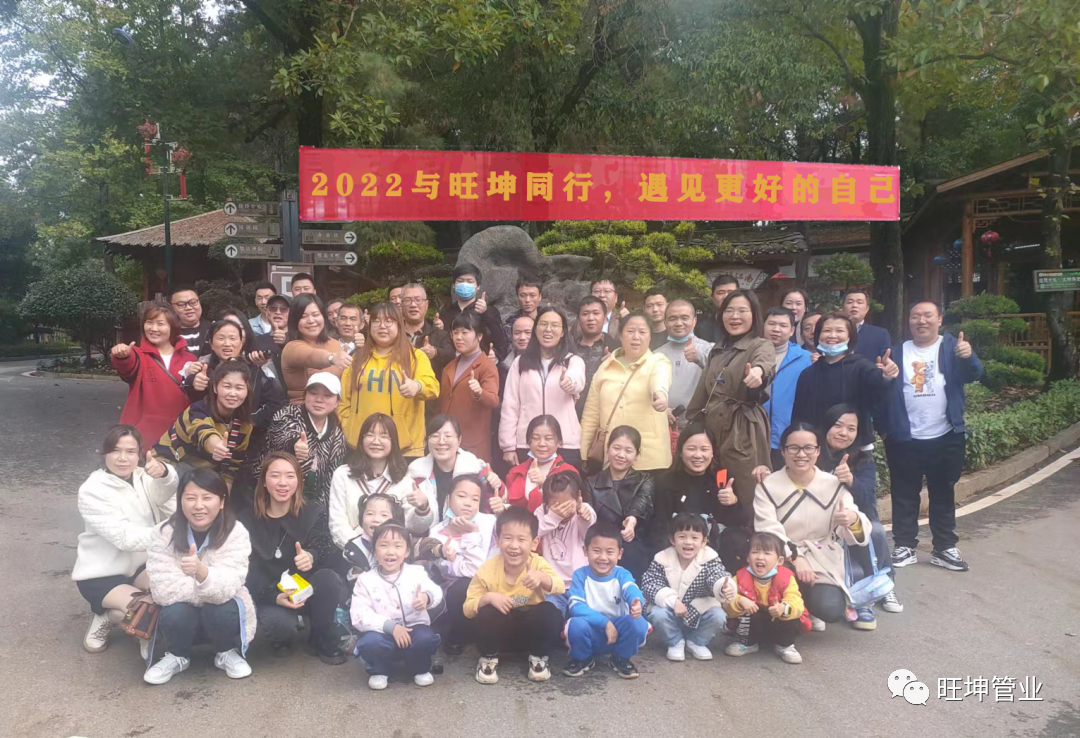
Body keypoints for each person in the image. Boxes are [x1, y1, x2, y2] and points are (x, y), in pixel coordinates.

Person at [882, 301, 982, 573]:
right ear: (909, 321)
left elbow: (974, 374)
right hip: (905, 437)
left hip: (946, 435)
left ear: (939, 320)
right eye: (915, 316)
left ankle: (944, 547)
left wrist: (968, 356)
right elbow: (883, 390)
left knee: (943, 492)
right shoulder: (897, 351)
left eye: (928, 315)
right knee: (904, 493)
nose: (921, 321)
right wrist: (885, 377)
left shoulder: (951, 347)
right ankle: (905, 545)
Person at [144, 468, 256, 684]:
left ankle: (226, 651)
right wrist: (207, 588)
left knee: (223, 608)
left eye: (207, 497)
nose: (198, 506)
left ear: (221, 502)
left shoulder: (236, 532)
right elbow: (163, 590)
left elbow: (231, 583)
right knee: (176, 611)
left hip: (219, 616)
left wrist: (202, 573)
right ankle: (178, 654)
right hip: (184, 617)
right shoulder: (162, 533)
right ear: (180, 501)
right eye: (190, 498)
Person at [73, 425, 178, 655]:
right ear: (104, 452)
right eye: (116, 451)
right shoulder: (92, 490)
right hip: (101, 575)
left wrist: (165, 475)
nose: (123, 458)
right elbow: (124, 538)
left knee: (174, 592)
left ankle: (129, 621)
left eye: (130, 451)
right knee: (147, 610)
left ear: (140, 453)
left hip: (140, 566)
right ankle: (107, 617)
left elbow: (169, 502)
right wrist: (171, 533)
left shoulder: (143, 477)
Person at [754, 423, 870, 630]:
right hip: (781, 556)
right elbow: (768, 529)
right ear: (783, 451)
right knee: (777, 599)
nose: (801, 454)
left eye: (808, 448)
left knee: (830, 609)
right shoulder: (767, 486)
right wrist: (796, 557)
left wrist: (851, 519)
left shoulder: (833, 484)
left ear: (818, 451)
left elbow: (854, 525)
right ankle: (794, 612)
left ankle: (810, 605)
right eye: (793, 448)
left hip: (821, 555)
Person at [236, 452, 347, 663]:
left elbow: (326, 547)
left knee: (328, 578)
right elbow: (244, 568)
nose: (283, 483)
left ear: (298, 481)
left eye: (290, 476)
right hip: (272, 591)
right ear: (264, 481)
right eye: (275, 475)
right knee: (280, 630)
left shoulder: (313, 511)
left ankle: (320, 636)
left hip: (307, 588)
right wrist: (272, 596)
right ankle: (282, 635)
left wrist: (312, 556)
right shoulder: (246, 519)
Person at [813, 403, 902, 625]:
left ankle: (879, 587)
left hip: (851, 520)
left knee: (876, 531)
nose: (844, 433)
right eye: (838, 425)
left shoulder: (862, 459)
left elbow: (868, 499)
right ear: (826, 426)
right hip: (818, 525)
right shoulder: (811, 453)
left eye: (851, 428)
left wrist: (851, 480)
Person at [686, 289, 774, 508]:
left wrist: (758, 373)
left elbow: (764, 362)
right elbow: (704, 391)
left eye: (742, 311)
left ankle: (752, 527)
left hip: (742, 429)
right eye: (729, 311)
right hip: (713, 428)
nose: (735, 316)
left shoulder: (760, 344)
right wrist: (693, 424)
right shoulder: (717, 349)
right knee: (716, 486)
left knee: (747, 486)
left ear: (754, 314)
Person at [463, 506, 565, 684]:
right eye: (508, 538)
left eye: (521, 539)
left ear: (534, 543)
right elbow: (467, 608)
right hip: (500, 636)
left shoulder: (538, 564)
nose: (514, 545)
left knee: (550, 611)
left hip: (530, 635)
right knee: (486, 611)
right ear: (497, 540)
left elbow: (560, 587)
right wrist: (488, 598)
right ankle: (488, 658)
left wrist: (542, 578)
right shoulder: (487, 569)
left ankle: (539, 657)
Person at [181, 319, 288, 471]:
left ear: (241, 342)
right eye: (221, 338)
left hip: (247, 448)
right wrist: (192, 383)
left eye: (232, 338)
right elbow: (193, 407)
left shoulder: (255, 371)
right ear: (211, 343)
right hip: (201, 451)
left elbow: (276, 402)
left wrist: (250, 420)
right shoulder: (202, 370)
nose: (227, 343)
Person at [791, 311, 899, 460]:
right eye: (827, 330)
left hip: (856, 449)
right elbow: (799, 416)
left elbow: (880, 393)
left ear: (850, 336)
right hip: (816, 451)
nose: (832, 335)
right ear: (818, 336)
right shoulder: (808, 374)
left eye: (839, 331)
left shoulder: (862, 367)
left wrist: (887, 377)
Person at [339, 301, 439, 457]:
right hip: (362, 445)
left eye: (388, 321)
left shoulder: (415, 356)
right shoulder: (358, 358)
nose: (382, 326)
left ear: (399, 325)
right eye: (376, 321)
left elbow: (433, 387)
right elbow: (343, 399)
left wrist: (417, 386)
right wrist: (349, 426)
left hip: (405, 449)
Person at [352, 522, 443, 690]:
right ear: (374, 550)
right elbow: (360, 614)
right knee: (370, 642)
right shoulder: (365, 580)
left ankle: (420, 668)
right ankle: (380, 670)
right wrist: (391, 627)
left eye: (398, 546)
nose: (390, 551)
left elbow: (435, 591)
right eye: (383, 545)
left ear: (407, 551)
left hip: (414, 628)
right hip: (382, 633)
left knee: (426, 638)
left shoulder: (416, 572)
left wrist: (426, 597)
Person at [650, 424, 750, 574]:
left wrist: (733, 503)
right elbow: (659, 525)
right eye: (691, 449)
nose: (698, 455)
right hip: (681, 545)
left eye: (704, 449)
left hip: (716, 546)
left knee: (737, 538)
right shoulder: (666, 481)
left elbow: (741, 521)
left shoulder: (722, 478)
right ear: (680, 451)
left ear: (713, 452)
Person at [581, 314, 673, 472]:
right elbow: (591, 414)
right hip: (613, 458)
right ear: (620, 334)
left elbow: (660, 379)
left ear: (650, 336)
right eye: (630, 331)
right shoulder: (605, 367)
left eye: (642, 332)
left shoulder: (657, 361)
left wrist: (660, 394)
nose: (636, 337)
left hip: (650, 460)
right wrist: (584, 452)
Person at [500, 307, 586, 469]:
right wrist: (508, 446)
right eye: (543, 324)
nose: (548, 329)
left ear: (563, 332)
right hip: (528, 443)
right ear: (535, 329)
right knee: (528, 485)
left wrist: (569, 382)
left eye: (555, 325)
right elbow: (510, 404)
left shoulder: (572, 361)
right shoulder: (520, 363)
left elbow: (577, 380)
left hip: (565, 443)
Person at [420, 474, 497, 654]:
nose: (468, 503)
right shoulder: (437, 533)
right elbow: (470, 571)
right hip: (457, 592)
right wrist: (471, 535)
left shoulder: (490, 523)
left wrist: (473, 532)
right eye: (461, 496)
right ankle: (458, 633)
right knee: (463, 585)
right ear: (448, 498)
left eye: (475, 499)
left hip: (492, 582)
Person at [563, 522, 650, 679]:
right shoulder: (579, 575)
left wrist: (636, 602)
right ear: (585, 551)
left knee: (638, 623)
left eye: (610, 552)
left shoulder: (622, 574)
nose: (603, 557)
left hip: (618, 632)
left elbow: (631, 588)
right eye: (596, 551)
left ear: (619, 554)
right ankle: (583, 658)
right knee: (575, 624)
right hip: (591, 629)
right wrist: (605, 623)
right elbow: (576, 606)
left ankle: (621, 657)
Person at [329, 413, 430, 545]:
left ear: (393, 442)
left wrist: (423, 507)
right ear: (361, 440)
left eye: (384, 436)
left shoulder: (404, 479)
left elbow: (414, 527)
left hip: (392, 553)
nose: (376, 441)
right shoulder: (343, 475)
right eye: (370, 435)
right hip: (351, 551)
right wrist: (359, 550)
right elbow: (337, 523)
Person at [641, 513, 730, 662]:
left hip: (699, 609)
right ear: (672, 539)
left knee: (718, 615)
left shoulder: (710, 558)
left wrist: (722, 586)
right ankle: (675, 641)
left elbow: (717, 575)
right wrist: (673, 601)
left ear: (703, 541)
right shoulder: (662, 558)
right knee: (658, 614)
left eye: (694, 538)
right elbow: (650, 583)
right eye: (682, 537)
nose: (688, 542)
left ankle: (696, 641)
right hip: (671, 610)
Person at [155, 360, 254, 489]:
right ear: (215, 388)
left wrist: (225, 498)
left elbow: (231, 467)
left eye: (239, 388)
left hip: (201, 475)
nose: (232, 393)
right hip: (167, 465)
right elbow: (204, 432)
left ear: (247, 390)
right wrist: (217, 446)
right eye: (227, 386)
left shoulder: (245, 424)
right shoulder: (197, 410)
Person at [111, 303, 198, 446]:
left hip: (180, 436)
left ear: (172, 327)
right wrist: (122, 356)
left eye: (160, 324)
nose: (153, 328)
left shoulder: (190, 360)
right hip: (142, 439)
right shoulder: (139, 355)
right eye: (149, 322)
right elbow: (128, 365)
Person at [258, 373, 348, 508]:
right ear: (305, 395)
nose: (319, 400)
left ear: (337, 402)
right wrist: (294, 444)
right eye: (313, 393)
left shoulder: (338, 435)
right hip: (273, 498)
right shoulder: (287, 414)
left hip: (313, 504)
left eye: (327, 395)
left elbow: (330, 480)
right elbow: (280, 435)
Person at [721, 531, 807, 664]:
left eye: (767, 553)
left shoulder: (786, 577)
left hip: (778, 621)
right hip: (754, 622)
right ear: (748, 558)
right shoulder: (739, 577)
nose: (760, 557)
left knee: (791, 614)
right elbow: (728, 607)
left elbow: (796, 601)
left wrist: (783, 608)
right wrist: (739, 600)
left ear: (780, 561)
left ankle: (785, 645)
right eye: (755, 552)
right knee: (745, 609)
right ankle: (747, 643)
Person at [408, 415, 505, 519]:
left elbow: (496, 505)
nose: (441, 442)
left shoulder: (476, 469)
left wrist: (496, 486)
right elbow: (410, 520)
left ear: (459, 440)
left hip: (470, 528)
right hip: (431, 529)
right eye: (435, 436)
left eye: (448, 436)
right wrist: (423, 508)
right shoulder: (416, 472)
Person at [588, 426, 655, 579]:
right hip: (601, 549)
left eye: (628, 451)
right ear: (608, 449)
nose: (621, 455)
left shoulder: (645, 480)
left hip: (633, 548)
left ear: (637, 455)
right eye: (616, 448)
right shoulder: (591, 483)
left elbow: (641, 502)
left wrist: (632, 521)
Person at [437, 310, 500, 462]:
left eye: (465, 332)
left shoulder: (487, 366)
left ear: (479, 336)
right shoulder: (449, 366)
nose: (459, 337)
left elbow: (493, 400)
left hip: (473, 444)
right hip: (446, 441)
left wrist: (479, 392)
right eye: (455, 332)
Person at [534, 471, 594, 616]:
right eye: (556, 506)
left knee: (581, 619)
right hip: (552, 584)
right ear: (545, 503)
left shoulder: (584, 511)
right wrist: (553, 517)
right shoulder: (542, 513)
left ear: (578, 498)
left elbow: (589, 535)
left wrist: (583, 516)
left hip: (579, 583)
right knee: (550, 617)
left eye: (567, 505)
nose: (563, 511)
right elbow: (533, 533)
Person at [762, 307, 812, 469]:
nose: (776, 329)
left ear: (791, 330)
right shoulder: (749, 354)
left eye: (783, 325)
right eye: (771, 324)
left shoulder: (805, 359)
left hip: (789, 436)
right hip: (754, 436)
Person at [280, 294, 351, 404]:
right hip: (302, 409)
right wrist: (331, 358)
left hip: (333, 409)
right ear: (295, 321)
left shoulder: (335, 343)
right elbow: (310, 356)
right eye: (303, 316)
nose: (311, 320)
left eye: (315, 314)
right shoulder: (291, 347)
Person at [655, 299, 713, 428]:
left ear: (694, 321)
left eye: (684, 318)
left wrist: (699, 358)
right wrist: (663, 409)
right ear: (665, 323)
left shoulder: (710, 350)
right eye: (672, 319)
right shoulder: (656, 355)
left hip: (700, 427)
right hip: (664, 425)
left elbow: (721, 376)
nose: (678, 323)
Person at [504, 416, 580, 512]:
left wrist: (545, 485)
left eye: (548, 438)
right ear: (528, 442)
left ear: (559, 442)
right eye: (536, 438)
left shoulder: (569, 473)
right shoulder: (515, 472)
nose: (541, 444)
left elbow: (571, 510)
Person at [438, 263, 509, 361]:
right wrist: (438, 331)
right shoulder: (446, 313)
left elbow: (501, 342)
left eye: (469, 281)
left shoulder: (489, 311)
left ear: (478, 286)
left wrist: (495, 355)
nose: (465, 284)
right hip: (452, 365)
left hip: (482, 364)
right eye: (460, 281)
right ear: (454, 285)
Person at [569, 296, 619, 415]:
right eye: (585, 314)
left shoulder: (618, 349)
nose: (591, 318)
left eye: (596, 313)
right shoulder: (568, 349)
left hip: (606, 412)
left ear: (604, 318)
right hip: (573, 412)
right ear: (578, 319)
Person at [340, 492, 404, 577]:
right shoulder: (355, 547)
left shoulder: (401, 545)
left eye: (384, 515)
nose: (376, 519)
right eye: (370, 514)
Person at [400, 283, 454, 377]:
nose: (413, 305)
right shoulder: (393, 334)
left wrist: (435, 352)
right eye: (407, 300)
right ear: (401, 305)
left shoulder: (439, 334)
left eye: (418, 300)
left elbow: (452, 356)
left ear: (426, 304)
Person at [843, 289, 891, 362]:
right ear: (843, 307)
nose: (854, 305)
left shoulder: (880, 334)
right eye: (850, 302)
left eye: (859, 302)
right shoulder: (832, 332)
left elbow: (887, 361)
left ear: (867, 309)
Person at [694, 274, 739, 343]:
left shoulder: (749, 325)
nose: (725, 296)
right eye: (720, 293)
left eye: (730, 292)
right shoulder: (701, 328)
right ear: (712, 297)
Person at [170, 285, 211, 356]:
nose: (188, 308)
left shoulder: (213, 330)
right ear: (171, 307)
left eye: (193, 302)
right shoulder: (168, 334)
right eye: (181, 304)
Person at [503, 276, 543, 342]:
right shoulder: (509, 327)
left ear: (540, 297)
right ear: (517, 297)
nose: (527, 300)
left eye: (532, 295)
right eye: (523, 295)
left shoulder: (549, 322)